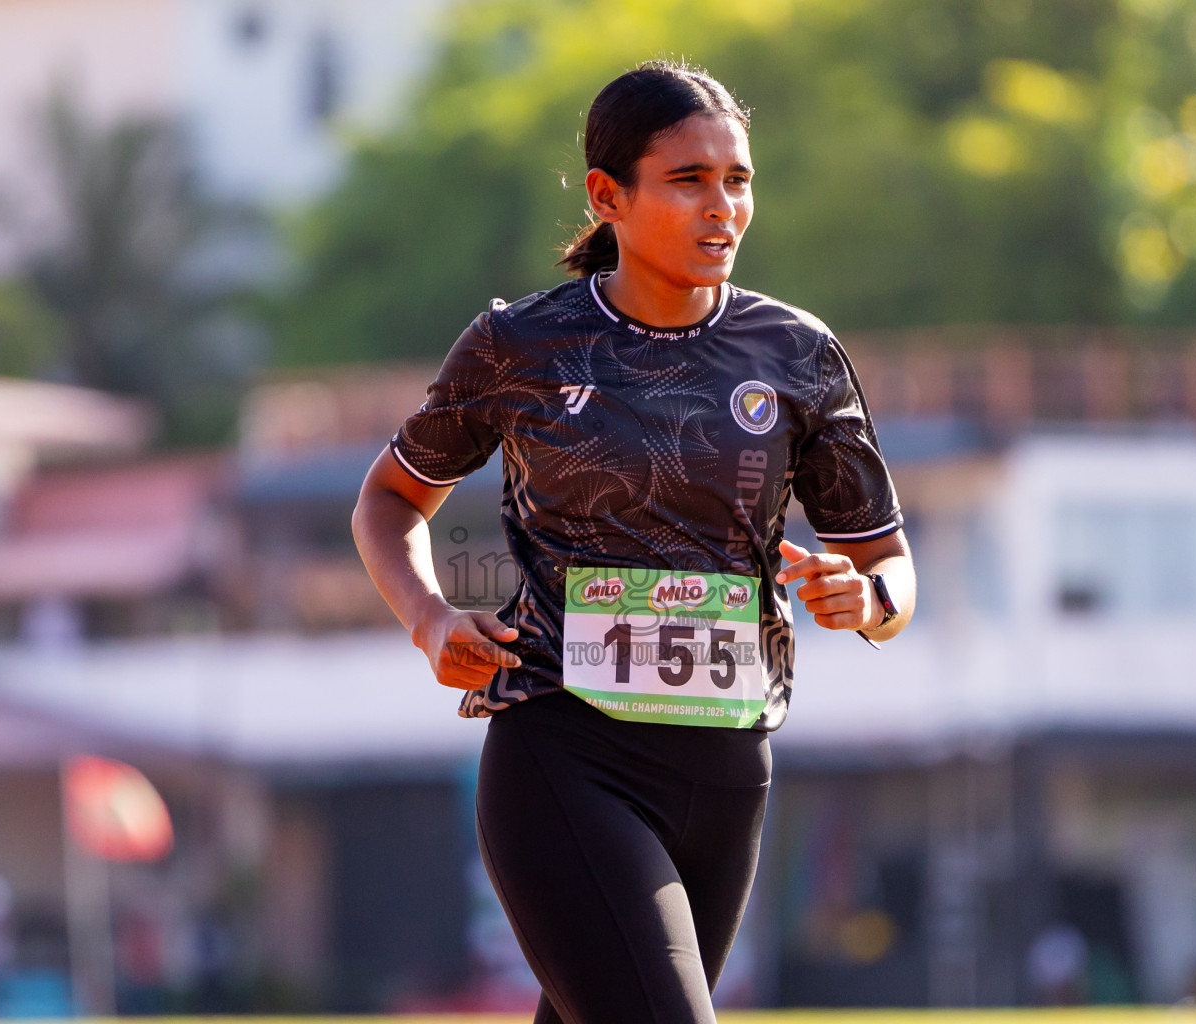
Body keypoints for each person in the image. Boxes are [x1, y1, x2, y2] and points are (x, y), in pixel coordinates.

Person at [353, 60, 916, 1024]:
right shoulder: (521, 347)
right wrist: (426, 616)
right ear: (608, 195)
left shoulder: (797, 355)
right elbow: (388, 500)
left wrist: (869, 602)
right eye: (688, 180)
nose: (722, 209)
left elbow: (889, 566)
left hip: (729, 769)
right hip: (565, 753)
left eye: (737, 180)